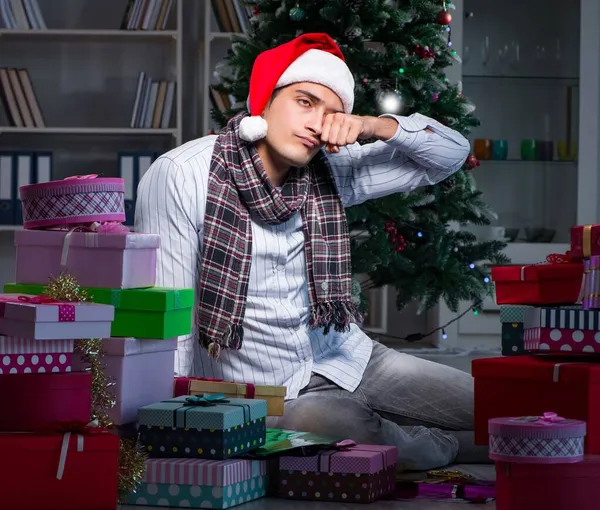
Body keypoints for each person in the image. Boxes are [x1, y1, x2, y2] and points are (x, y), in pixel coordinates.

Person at [135, 33, 487, 471]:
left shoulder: (333, 171)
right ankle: (443, 446)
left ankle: (441, 440)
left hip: (351, 362)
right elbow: (173, 317)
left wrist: (373, 126)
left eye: (332, 112)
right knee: (333, 421)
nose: (318, 123)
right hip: (270, 394)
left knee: (494, 405)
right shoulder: (182, 175)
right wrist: (169, 424)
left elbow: (450, 155)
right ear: (264, 101)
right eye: (305, 101)